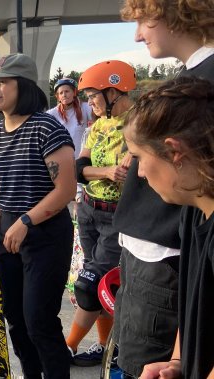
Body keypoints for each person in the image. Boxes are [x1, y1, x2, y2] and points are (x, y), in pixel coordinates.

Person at [114, 1, 214, 376]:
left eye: (143, 19)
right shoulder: (193, 77)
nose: (138, 33)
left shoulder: (202, 83)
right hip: (171, 253)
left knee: (140, 362)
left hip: (163, 255)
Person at [0, 53, 77, 378]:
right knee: (15, 319)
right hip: (8, 233)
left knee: (39, 321)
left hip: (46, 234)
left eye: (3, 81)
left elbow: (65, 190)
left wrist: (26, 221)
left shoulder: (46, 127)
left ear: (24, 85)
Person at [64, 60, 135, 367]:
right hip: (89, 210)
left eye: (94, 94)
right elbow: (79, 170)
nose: (89, 101)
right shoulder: (96, 127)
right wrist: (106, 171)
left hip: (118, 217)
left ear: (115, 91)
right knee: (103, 282)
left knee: (89, 284)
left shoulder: (139, 124)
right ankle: (106, 346)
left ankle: (67, 346)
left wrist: (97, 172)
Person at [46, 77, 93, 160]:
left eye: (67, 91)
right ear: (57, 96)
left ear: (74, 92)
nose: (64, 95)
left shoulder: (85, 107)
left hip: (81, 159)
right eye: (61, 93)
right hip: (62, 160)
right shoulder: (51, 114)